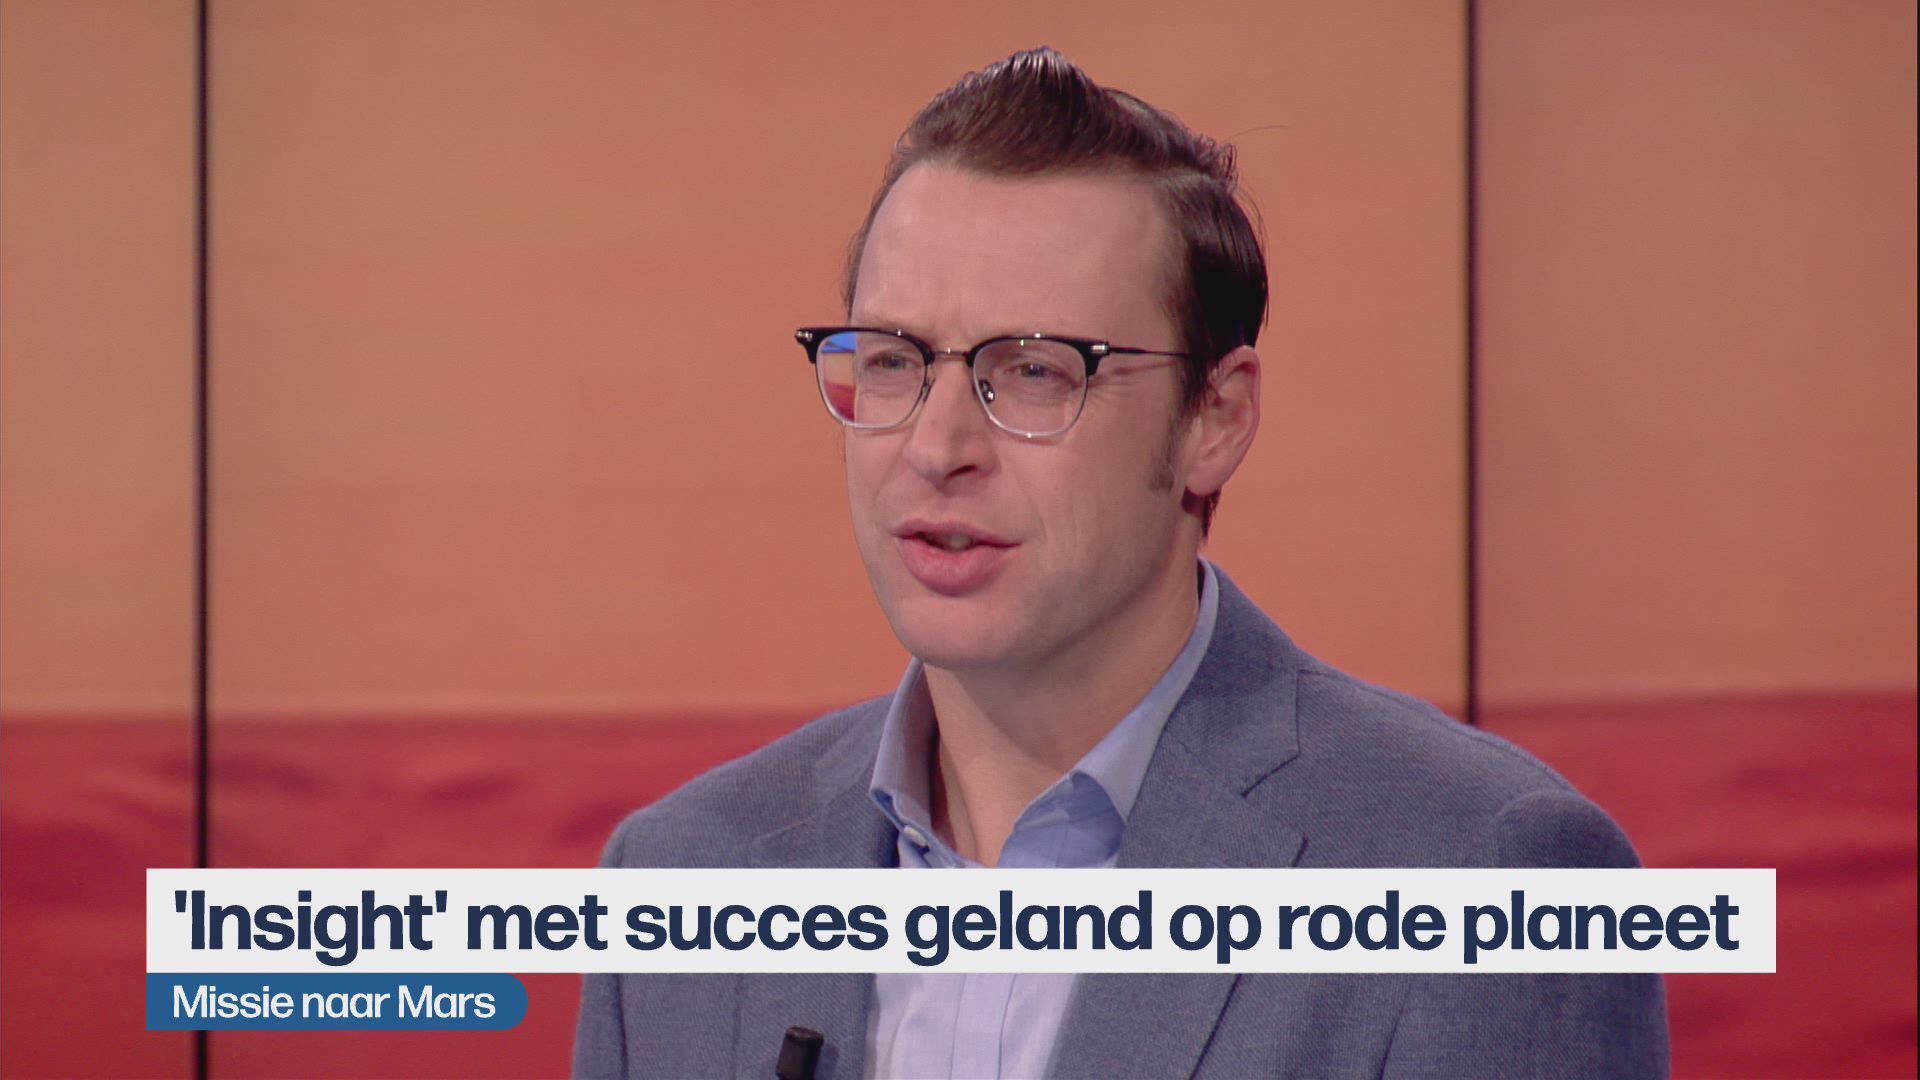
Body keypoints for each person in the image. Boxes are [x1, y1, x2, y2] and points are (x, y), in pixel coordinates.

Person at [574, 47, 1667, 1079]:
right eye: (896, 361)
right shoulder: (680, 880)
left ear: (1215, 420)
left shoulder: (1485, 879)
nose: (936, 446)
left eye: (1035, 370)